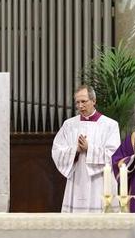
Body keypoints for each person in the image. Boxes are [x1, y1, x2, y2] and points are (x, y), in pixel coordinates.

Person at [51, 85, 121, 213]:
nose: (80, 105)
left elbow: (114, 155)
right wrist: (75, 150)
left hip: (100, 181)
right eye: (77, 102)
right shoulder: (69, 125)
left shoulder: (110, 125)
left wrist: (89, 148)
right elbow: (57, 151)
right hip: (77, 179)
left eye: (84, 101)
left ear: (93, 101)